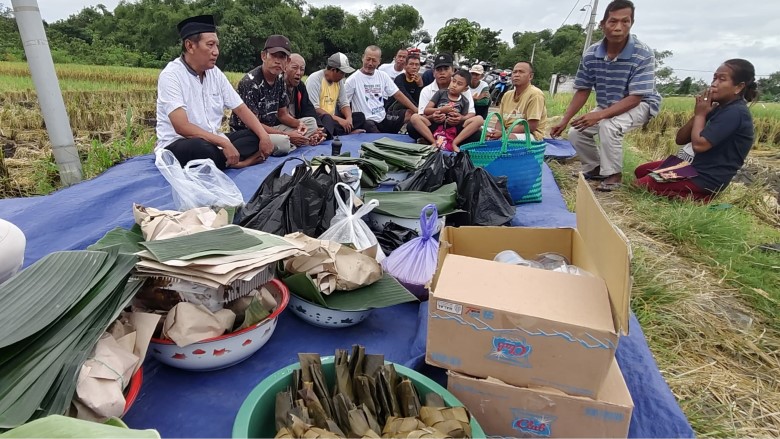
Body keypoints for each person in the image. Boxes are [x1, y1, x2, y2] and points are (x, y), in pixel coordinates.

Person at [549, 0, 662, 191]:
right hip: (607, 104)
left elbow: (636, 97)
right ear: (603, 25)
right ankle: (595, 168)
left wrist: (600, 115)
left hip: (641, 104)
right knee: (577, 131)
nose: (619, 28)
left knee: (609, 126)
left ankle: (613, 175)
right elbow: (583, 89)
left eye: (625, 22)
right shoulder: (592, 54)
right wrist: (565, 120)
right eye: (613, 22)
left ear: (631, 23)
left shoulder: (643, 54)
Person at [155, 15, 274, 169]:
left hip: (214, 140)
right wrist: (224, 143)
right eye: (210, 45)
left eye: (217, 46)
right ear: (190, 46)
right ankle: (240, 163)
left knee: (254, 137)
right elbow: (182, 127)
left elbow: (240, 108)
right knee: (201, 149)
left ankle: (223, 160)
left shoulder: (215, 73)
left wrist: (263, 136)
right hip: (181, 142)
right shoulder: (171, 75)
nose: (216, 52)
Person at [634, 59, 757, 201]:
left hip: (705, 179)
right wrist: (699, 113)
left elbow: (699, 145)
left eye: (722, 79)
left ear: (738, 87)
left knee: (639, 185)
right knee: (641, 171)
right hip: (692, 168)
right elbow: (680, 139)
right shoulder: (718, 108)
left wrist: (701, 114)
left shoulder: (736, 113)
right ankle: (685, 193)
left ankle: (700, 196)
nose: (714, 84)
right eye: (714, 78)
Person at [229, 35, 319, 154]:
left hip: (272, 128)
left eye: (282, 57)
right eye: (273, 55)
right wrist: (287, 135)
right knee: (284, 143)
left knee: (311, 123)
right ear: (263, 56)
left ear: (287, 61)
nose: (277, 61)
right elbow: (252, 124)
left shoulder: (280, 80)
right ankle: (294, 143)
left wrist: (299, 124)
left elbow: (282, 115)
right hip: (251, 132)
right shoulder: (250, 83)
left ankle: (295, 141)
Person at [407, 53, 480, 145]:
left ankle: (451, 142)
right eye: (439, 70)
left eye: (446, 69)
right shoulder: (427, 90)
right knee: (412, 126)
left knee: (477, 132)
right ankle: (434, 141)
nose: (442, 73)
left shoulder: (464, 88)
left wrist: (460, 118)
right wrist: (433, 117)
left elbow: (471, 113)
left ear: (453, 70)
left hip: (454, 127)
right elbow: (423, 115)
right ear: (433, 73)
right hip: (434, 125)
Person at [345, 45, 418, 134]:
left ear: (379, 61)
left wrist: (417, 111)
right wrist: (349, 124)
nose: (370, 63)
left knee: (410, 114)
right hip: (367, 121)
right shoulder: (352, 80)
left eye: (374, 60)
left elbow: (398, 94)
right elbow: (344, 104)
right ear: (363, 58)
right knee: (372, 129)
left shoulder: (382, 75)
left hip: (383, 117)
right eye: (368, 59)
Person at [306, 52, 367, 139]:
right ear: (333, 70)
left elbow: (344, 103)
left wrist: (348, 119)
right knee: (327, 122)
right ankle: (342, 133)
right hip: (321, 119)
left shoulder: (339, 82)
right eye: (342, 73)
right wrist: (339, 120)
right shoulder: (315, 79)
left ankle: (341, 132)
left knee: (360, 117)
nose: (343, 76)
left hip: (334, 118)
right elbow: (314, 109)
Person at [487, 61, 548, 141]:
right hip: (506, 132)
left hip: (530, 134)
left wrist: (503, 133)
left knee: (504, 140)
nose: (516, 75)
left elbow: (531, 126)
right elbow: (500, 121)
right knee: (481, 132)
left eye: (521, 72)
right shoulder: (507, 95)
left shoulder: (535, 94)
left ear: (530, 76)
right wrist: (496, 133)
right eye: (514, 72)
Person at [284, 53, 325, 145]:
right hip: (283, 125)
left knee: (322, 121)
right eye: (294, 68)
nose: (298, 72)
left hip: (298, 125)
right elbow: (280, 116)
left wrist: (317, 129)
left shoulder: (300, 86)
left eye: (302, 69)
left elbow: (308, 109)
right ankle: (304, 139)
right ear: (285, 67)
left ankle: (311, 136)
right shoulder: (277, 85)